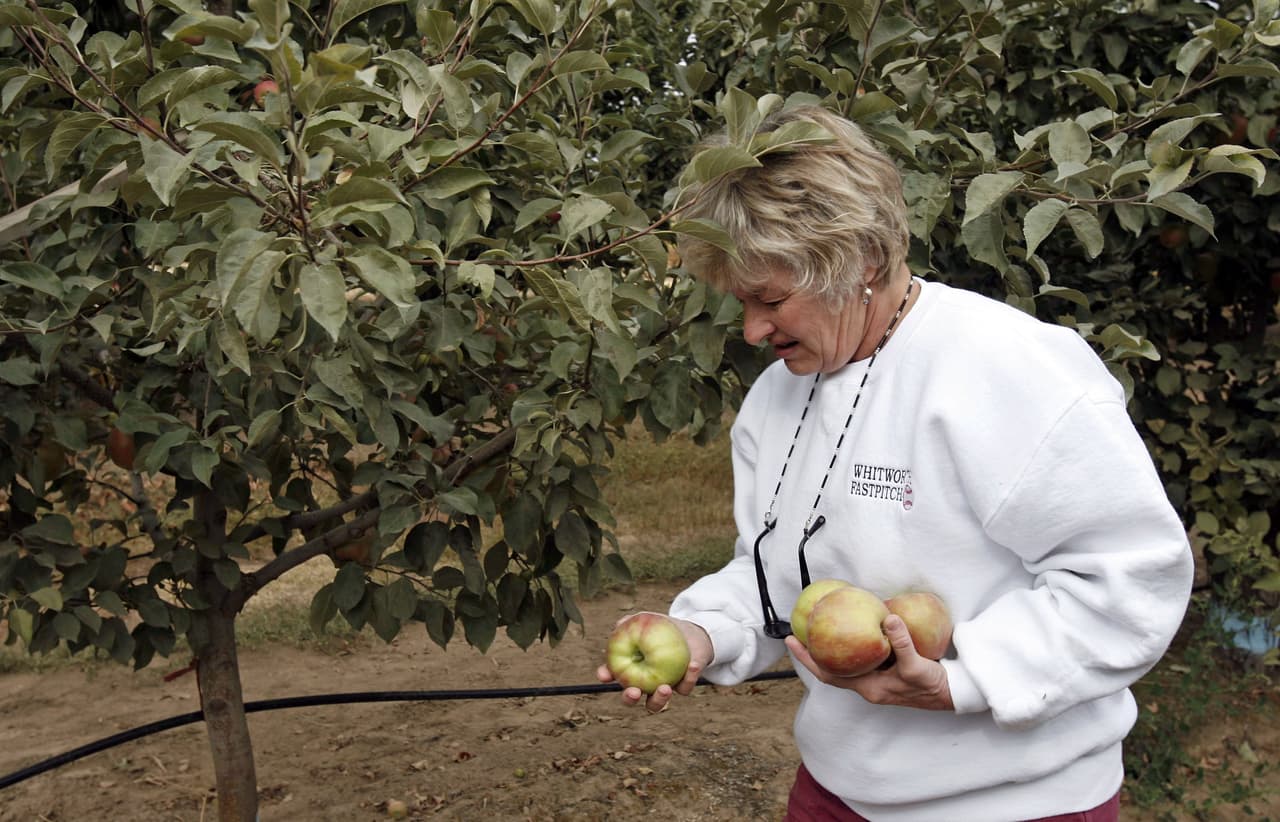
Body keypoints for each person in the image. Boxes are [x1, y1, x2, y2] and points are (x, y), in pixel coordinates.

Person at [595, 104, 1194, 821]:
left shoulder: (1005, 368)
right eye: (740, 303)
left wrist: (960, 680)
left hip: (1016, 804)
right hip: (838, 793)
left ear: (863, 261)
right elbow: (777, 577)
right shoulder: (775, 400)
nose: (753, 330)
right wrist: (703, 634)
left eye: (771, 299)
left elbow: (1129, 579)